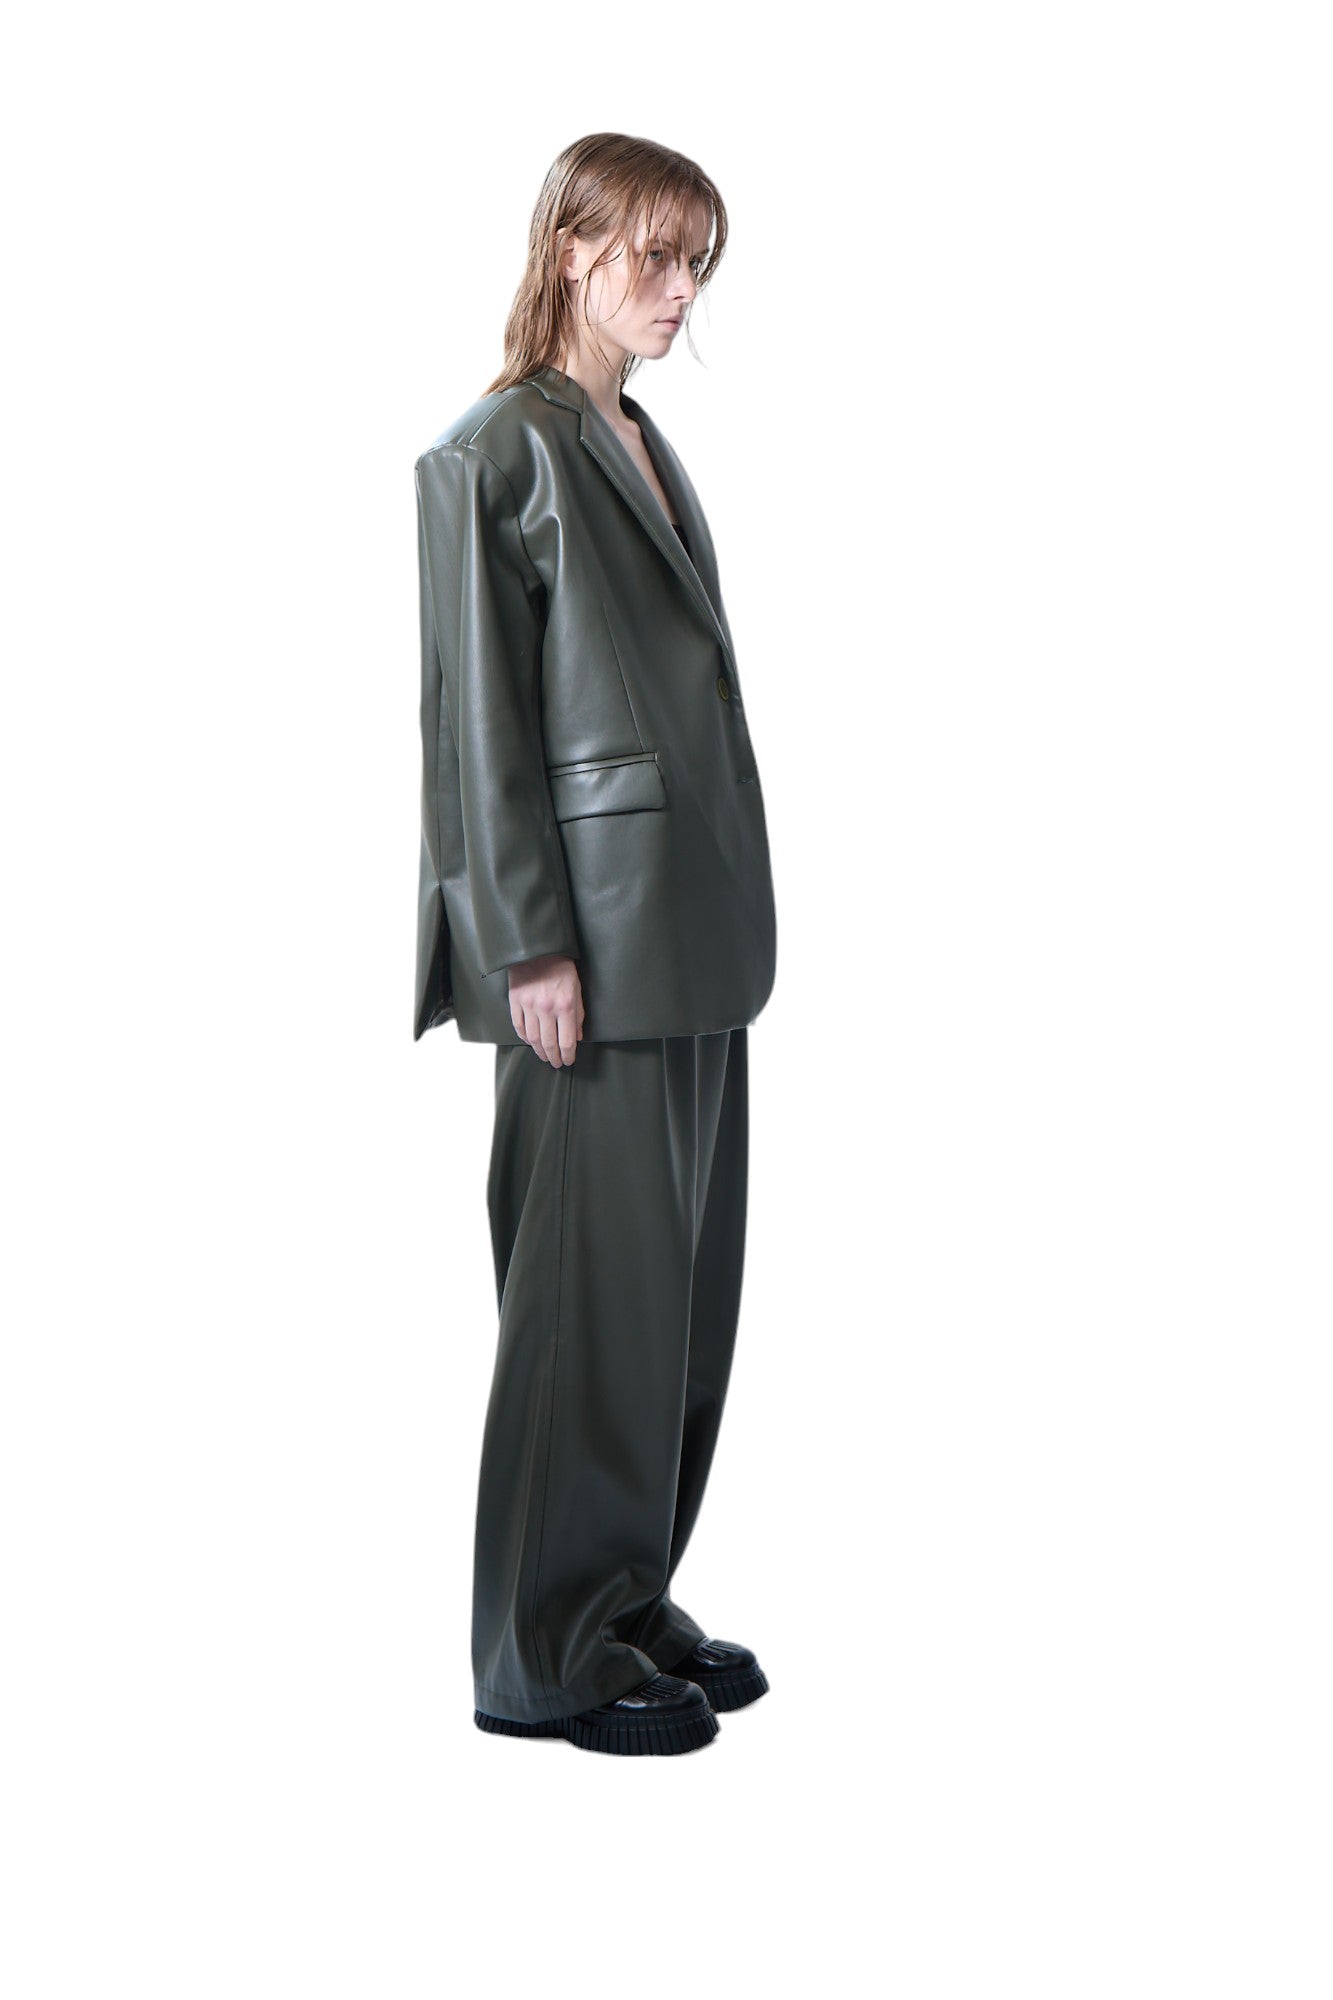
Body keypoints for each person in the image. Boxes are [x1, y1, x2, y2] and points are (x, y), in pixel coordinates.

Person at [412, 133, 779, 1757]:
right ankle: (541, 1651)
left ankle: (622, 1595)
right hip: (586, 959)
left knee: (675, 1306)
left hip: (692, 938)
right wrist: (523, 948)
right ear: (570, 246)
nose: (680, 289)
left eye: (699, 262)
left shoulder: (636, 439)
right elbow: (473, 728)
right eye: (654, 255)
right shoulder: (493, 453)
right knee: (583, 1309)